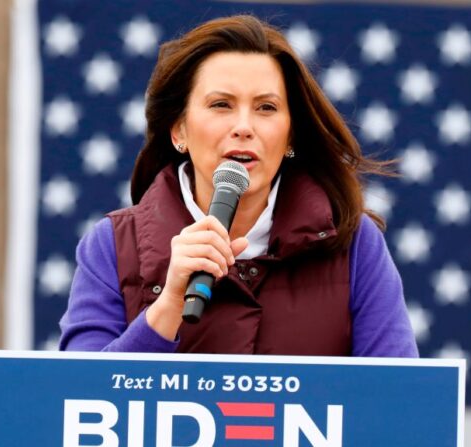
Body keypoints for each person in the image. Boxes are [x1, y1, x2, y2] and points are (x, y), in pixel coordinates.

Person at [59, 15, 418, 357]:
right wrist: (167, 305)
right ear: (179, 130)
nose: (244, 126)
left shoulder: (354, 244)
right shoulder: (111, 245)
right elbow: (77, 399)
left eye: (265, 108)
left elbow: (398, 401)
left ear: (290, 134)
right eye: (221, 105)